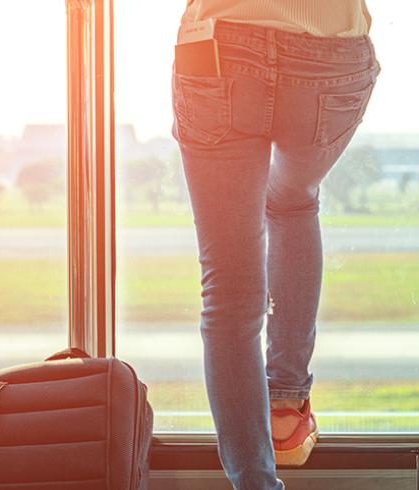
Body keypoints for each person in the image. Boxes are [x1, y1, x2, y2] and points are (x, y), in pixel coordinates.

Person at [170, 1, 378, 488]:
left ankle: (256, 484)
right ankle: (285, 406)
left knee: (229, 290)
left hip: (222, 43)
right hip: (331, 52)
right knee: (293, 203)